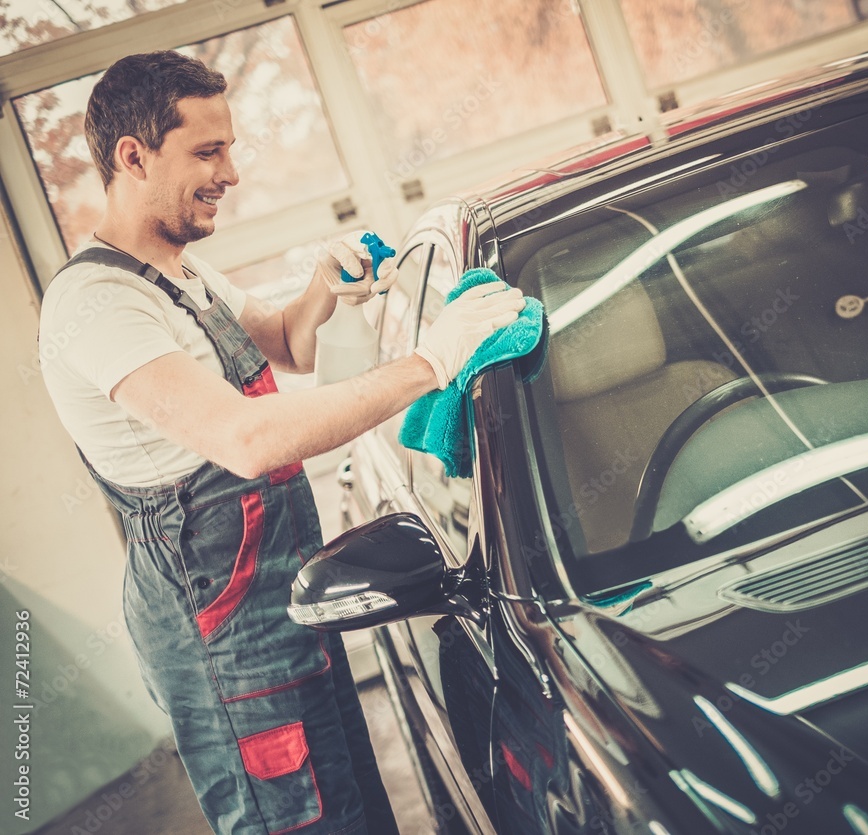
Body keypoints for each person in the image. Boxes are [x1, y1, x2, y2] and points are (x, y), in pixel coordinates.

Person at [38, 50, 524, 835]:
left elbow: (289, 346)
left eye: (227, 148)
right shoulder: (94, 305)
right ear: (133, 156)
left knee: (353, 809)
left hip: (282, 602)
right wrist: (433, 361)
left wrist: (322, 289)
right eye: (207, 151)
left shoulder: (181, 272)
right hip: (221, 637)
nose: (231, 171)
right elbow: (248, 439)